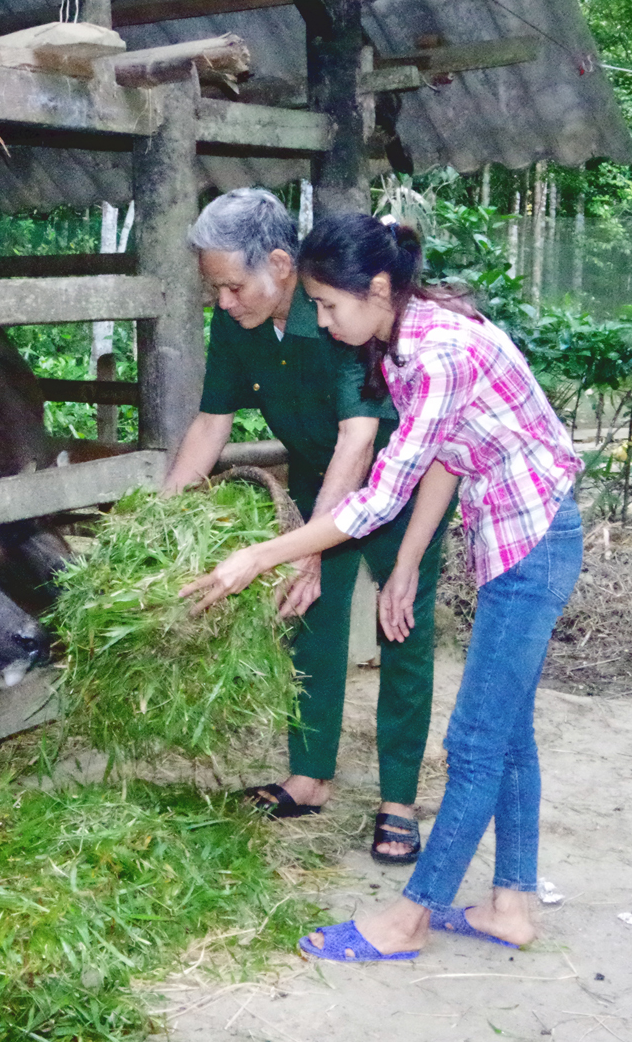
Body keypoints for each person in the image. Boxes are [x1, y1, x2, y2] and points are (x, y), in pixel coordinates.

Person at [183, 212, 583, 961]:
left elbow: (375, 500)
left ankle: (409, 919)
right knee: (509, 733)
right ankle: (512, 906)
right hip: (508, 537)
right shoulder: (400, 337)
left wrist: (261, 556)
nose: (324, 322)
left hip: (533, 544)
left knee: (473, 741)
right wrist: (405, 561)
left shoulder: (435, 352)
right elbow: (448, 456)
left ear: (376, 288)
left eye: (330, 306)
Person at [166, 188, 452, 863]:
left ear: (279, 262)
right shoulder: (235, 325)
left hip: (395, 487)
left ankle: (398, 800)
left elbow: (358, 440)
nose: (225, 302)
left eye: (234, 286)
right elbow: (211, 422)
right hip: (310, 484)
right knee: (310, 629)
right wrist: (160, 516)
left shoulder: (338, 307)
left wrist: (311, 549)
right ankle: (310, 775)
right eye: (217, 291)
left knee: (399, 627)